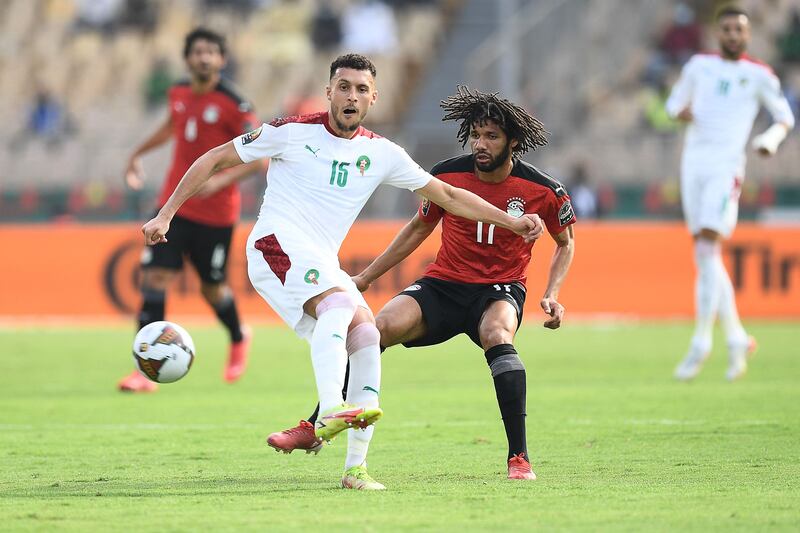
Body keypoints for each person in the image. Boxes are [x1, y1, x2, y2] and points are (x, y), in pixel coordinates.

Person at [140, 57, 545, 490]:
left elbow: (447, 194)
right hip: (272, 246)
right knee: (337, 303)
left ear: (373, 98)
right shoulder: (290, 132)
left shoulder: (382, 153)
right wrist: (166, 215)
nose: (351, 96)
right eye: (344, 87)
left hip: (319, 259)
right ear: (328, 91)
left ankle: (355, 469)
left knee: (367, 332)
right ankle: (332, 409)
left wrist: (510, 220)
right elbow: (216, 159)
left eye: (360, 89)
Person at [267, 86, 576, 481]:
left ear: (513, 142)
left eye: (492, 137)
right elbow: (417, 228)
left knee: (498, 333)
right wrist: (365, 277)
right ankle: (315, 426)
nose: (481, 144)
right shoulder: (447, 175)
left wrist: (552, 294)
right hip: (443, 284)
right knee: (373, 328)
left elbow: (565, 243)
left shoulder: (544, 190)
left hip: (499, 288)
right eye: (476, 135)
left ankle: (519, 457)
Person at [118, 28, 266, 393]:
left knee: (212, 289)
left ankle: (237, 336)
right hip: (173, 206)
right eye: (198, 52)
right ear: (187, 58)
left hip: (216, 215)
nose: (204, 58)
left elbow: (260, 153)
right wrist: (138, 152)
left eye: (211, 52)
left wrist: (222, 180)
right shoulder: (178, 92)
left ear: (222, 60)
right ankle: (144, 369)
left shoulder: (235, 104)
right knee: (154, 280)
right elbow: (172, 125)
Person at [666, 7, 794, 382]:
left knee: (706, 250)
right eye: (727, 29)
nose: (733, 34)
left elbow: (785, 116)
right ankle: (736, 337)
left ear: (748, 34)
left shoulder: (759, 75)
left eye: (739, 29)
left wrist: (769, 139)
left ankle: (701, 342)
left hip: (726, 170)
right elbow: (673, 103)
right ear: (717, 32)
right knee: (706, 255)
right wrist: (681, 112)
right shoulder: (697, 66)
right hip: (693, 166)